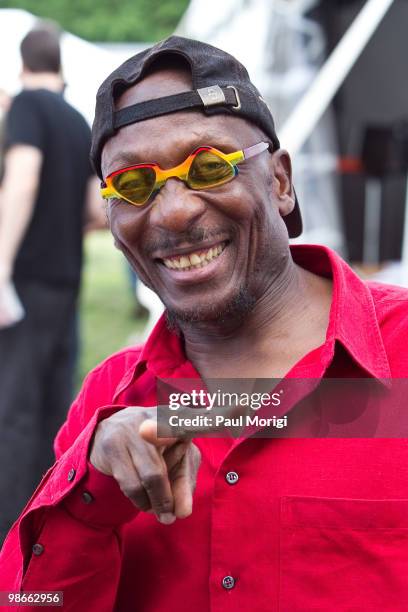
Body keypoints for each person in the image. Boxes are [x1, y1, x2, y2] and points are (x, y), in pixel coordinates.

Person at [1, 36, 408, 611]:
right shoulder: (109, 403)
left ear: (281, 182)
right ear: (112, 221)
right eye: (135, 185)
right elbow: (31, 602)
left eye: (210, 167)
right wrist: (89, 497)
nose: (174, 210)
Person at [0, 24, 105, 541]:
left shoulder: (25, 108)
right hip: (68, 278)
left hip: (25, 283)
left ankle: (10, 534)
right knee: (51, 405)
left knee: (14, 410)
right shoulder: (76, 118)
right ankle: (48, 524)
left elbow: (23, 178)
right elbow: (95, 208)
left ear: (22, 64)